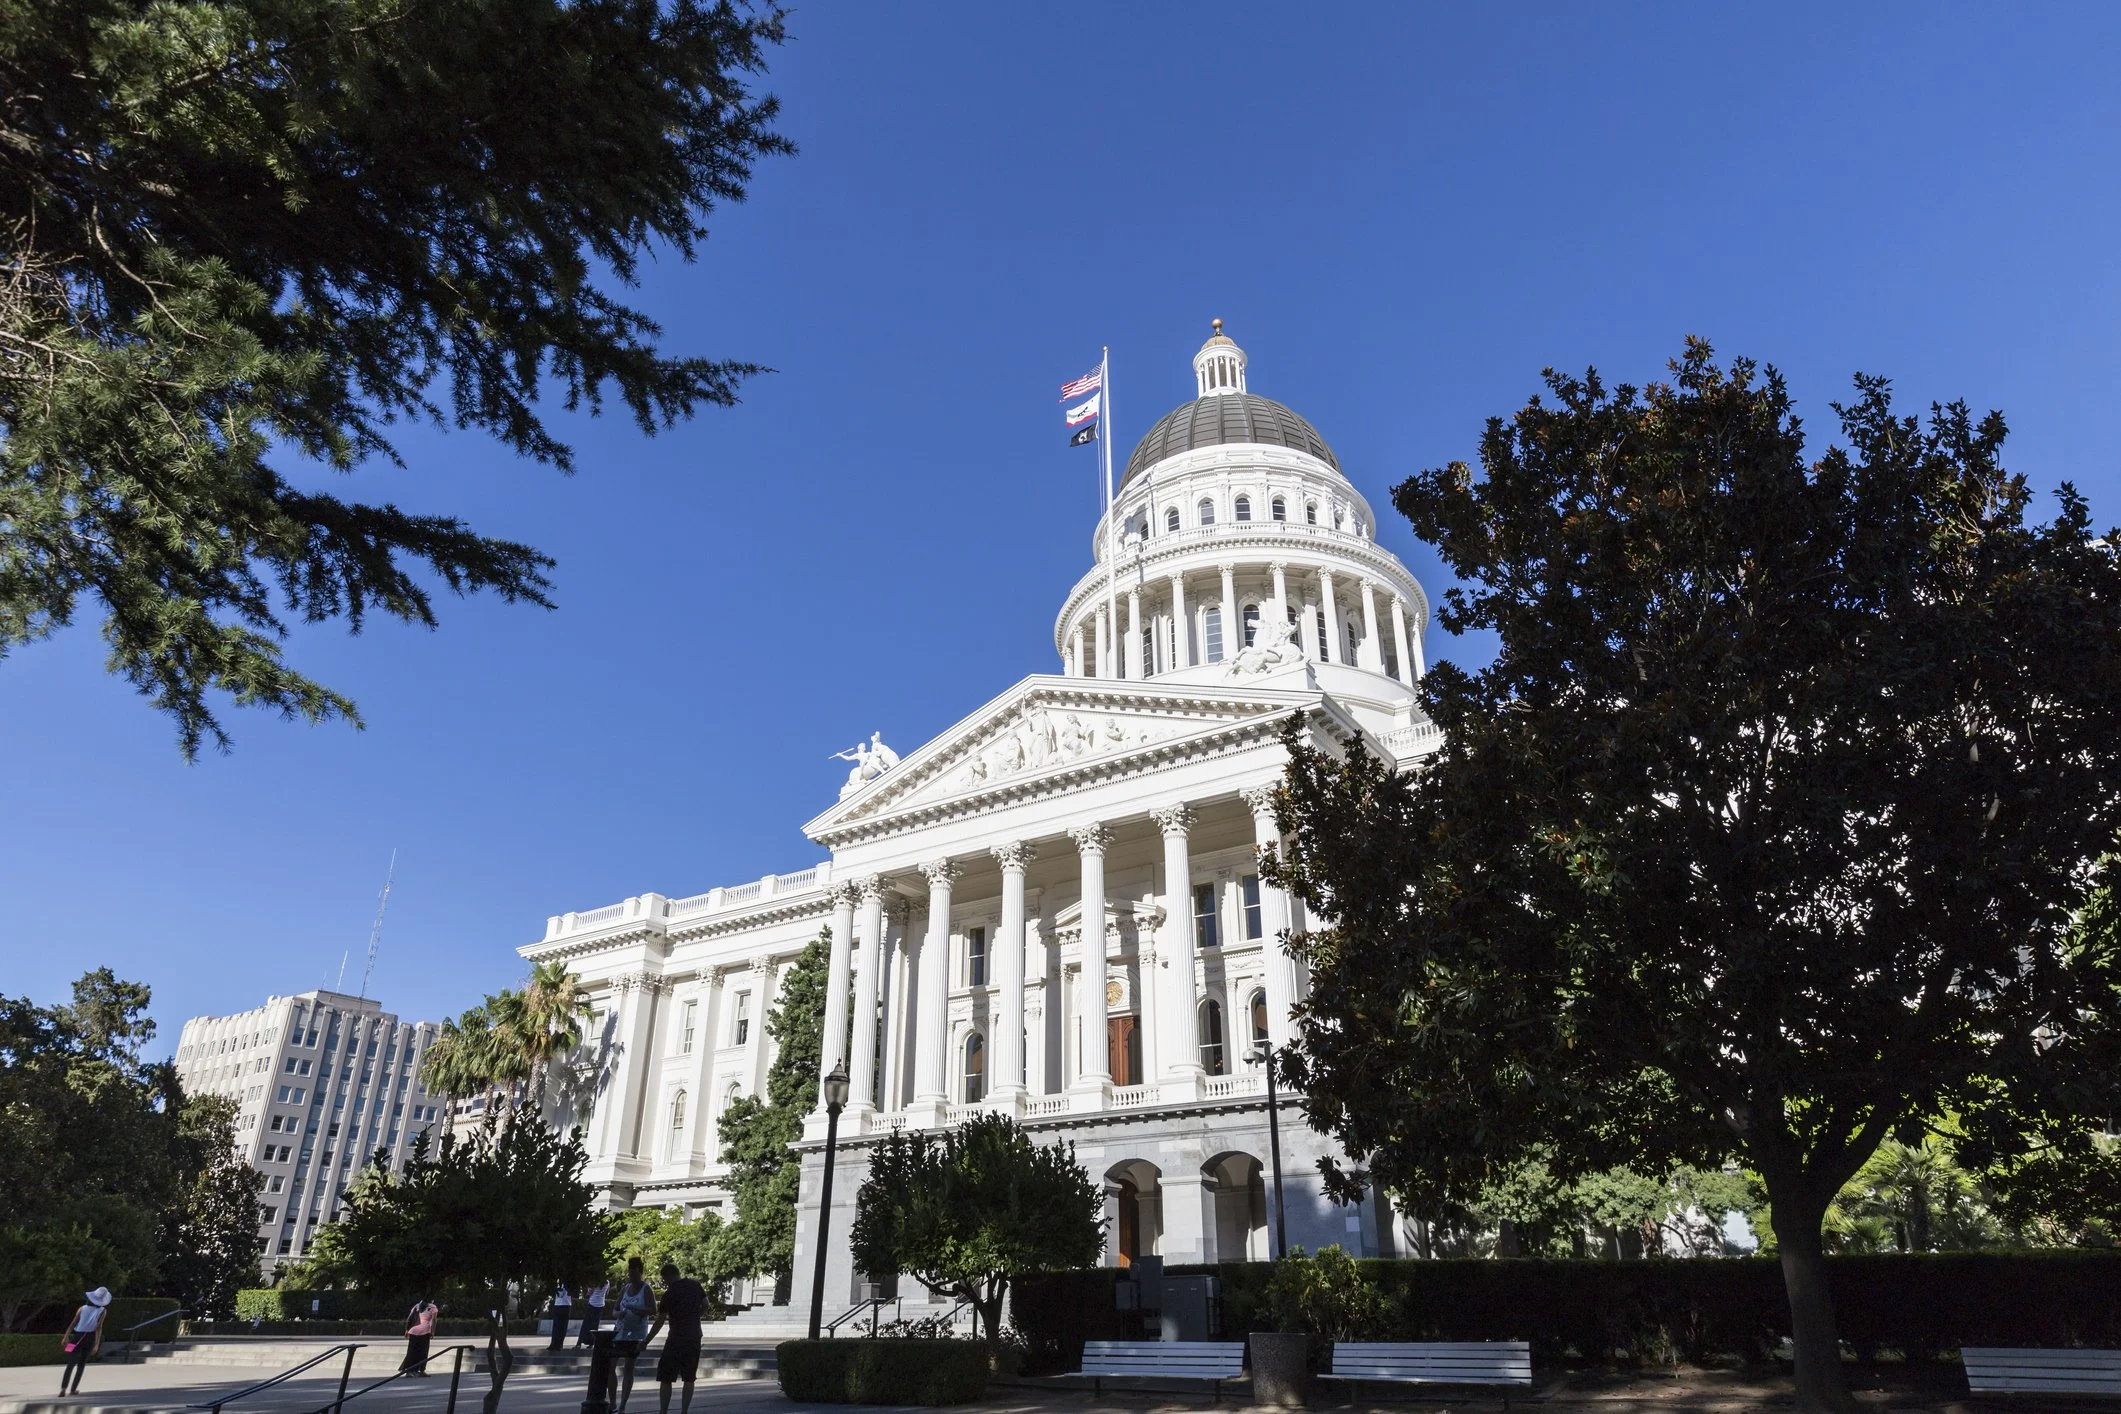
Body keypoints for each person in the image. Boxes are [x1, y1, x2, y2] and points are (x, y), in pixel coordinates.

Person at [647, 1263, 707, 1414]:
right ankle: (684, 1411)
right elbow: (706, 1304)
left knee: (666, 1377)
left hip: (675, 1338)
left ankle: (663, 1411)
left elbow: (660, 1321)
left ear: (667, 1277)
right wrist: (697, 1316)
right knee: (689, 1377)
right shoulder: (695, 1285)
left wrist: (645, 1341)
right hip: (694, 1336)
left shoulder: (669, 1294)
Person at [610, 1258, 656, 1414]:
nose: (632, 1278)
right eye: (630, 1275)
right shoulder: (625, 1289)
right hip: (620, 1331)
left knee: (629, 1367)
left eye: (635, 1275)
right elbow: (614, 1310)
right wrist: (619, 1314)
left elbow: (653, 1310)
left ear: (640, 1273)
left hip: (636, 1333)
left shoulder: (646, 1289)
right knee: (611, 1365)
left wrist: (639, 1309)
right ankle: (612, 1403)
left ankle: (623, 1404)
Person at [57, 1287, 109, 1395]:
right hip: (89, 1338)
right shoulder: (102, 1311)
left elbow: (73, 1323)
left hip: (76, 1337)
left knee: (70, 1363)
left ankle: (63, 1388)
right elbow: (99, 1328)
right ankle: (73, 1389)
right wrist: (96, 1344)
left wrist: (65, 1337)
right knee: (81, 1364)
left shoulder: (82, 1308)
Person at [400, 1297, 439, 1375]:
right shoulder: (433, 1307)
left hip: (413, 1330)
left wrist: (407, 1330)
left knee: (411, 1351)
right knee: (423, 1351)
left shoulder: (416, 1306)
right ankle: (421, 1370)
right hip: (425, 1331)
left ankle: (408, 1370)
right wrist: (433, 1331)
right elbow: (434, 1320)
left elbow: (410, 1318)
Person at [576, 1280, 607, 1346]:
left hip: (592, 1303)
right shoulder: (607, 1282)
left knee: (586, 1323)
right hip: (600, 1304)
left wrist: (587, 1293)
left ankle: (580, 1342)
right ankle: (592, 1342)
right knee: (595, 1325)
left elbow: (589, 1292)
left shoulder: (595, 1281)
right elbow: (606, 1293)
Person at [548, 1283, 573, 1353]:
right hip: (558, 1304)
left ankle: (559, 1344)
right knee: (556, 1326)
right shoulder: (558, 1282)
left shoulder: (568, 1283)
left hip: (565, 1305)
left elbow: (565, 1293)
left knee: (562, 1327)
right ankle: (554, 1343)